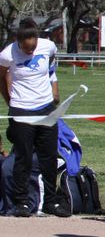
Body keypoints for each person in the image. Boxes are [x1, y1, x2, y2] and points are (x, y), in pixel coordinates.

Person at [0, 18, 67, 217]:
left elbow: (51, 66)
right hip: (21, 110)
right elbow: (1, 78)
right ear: (18, 41)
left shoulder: (48, 46)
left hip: (46, 108)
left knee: (49, 157)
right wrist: (10, 101)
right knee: (24, 157)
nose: (30, 51)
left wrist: (53, 92)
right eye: (26, 48)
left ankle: (51, 202)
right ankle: (22, 202)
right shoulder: (7, 54)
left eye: (33, 47)